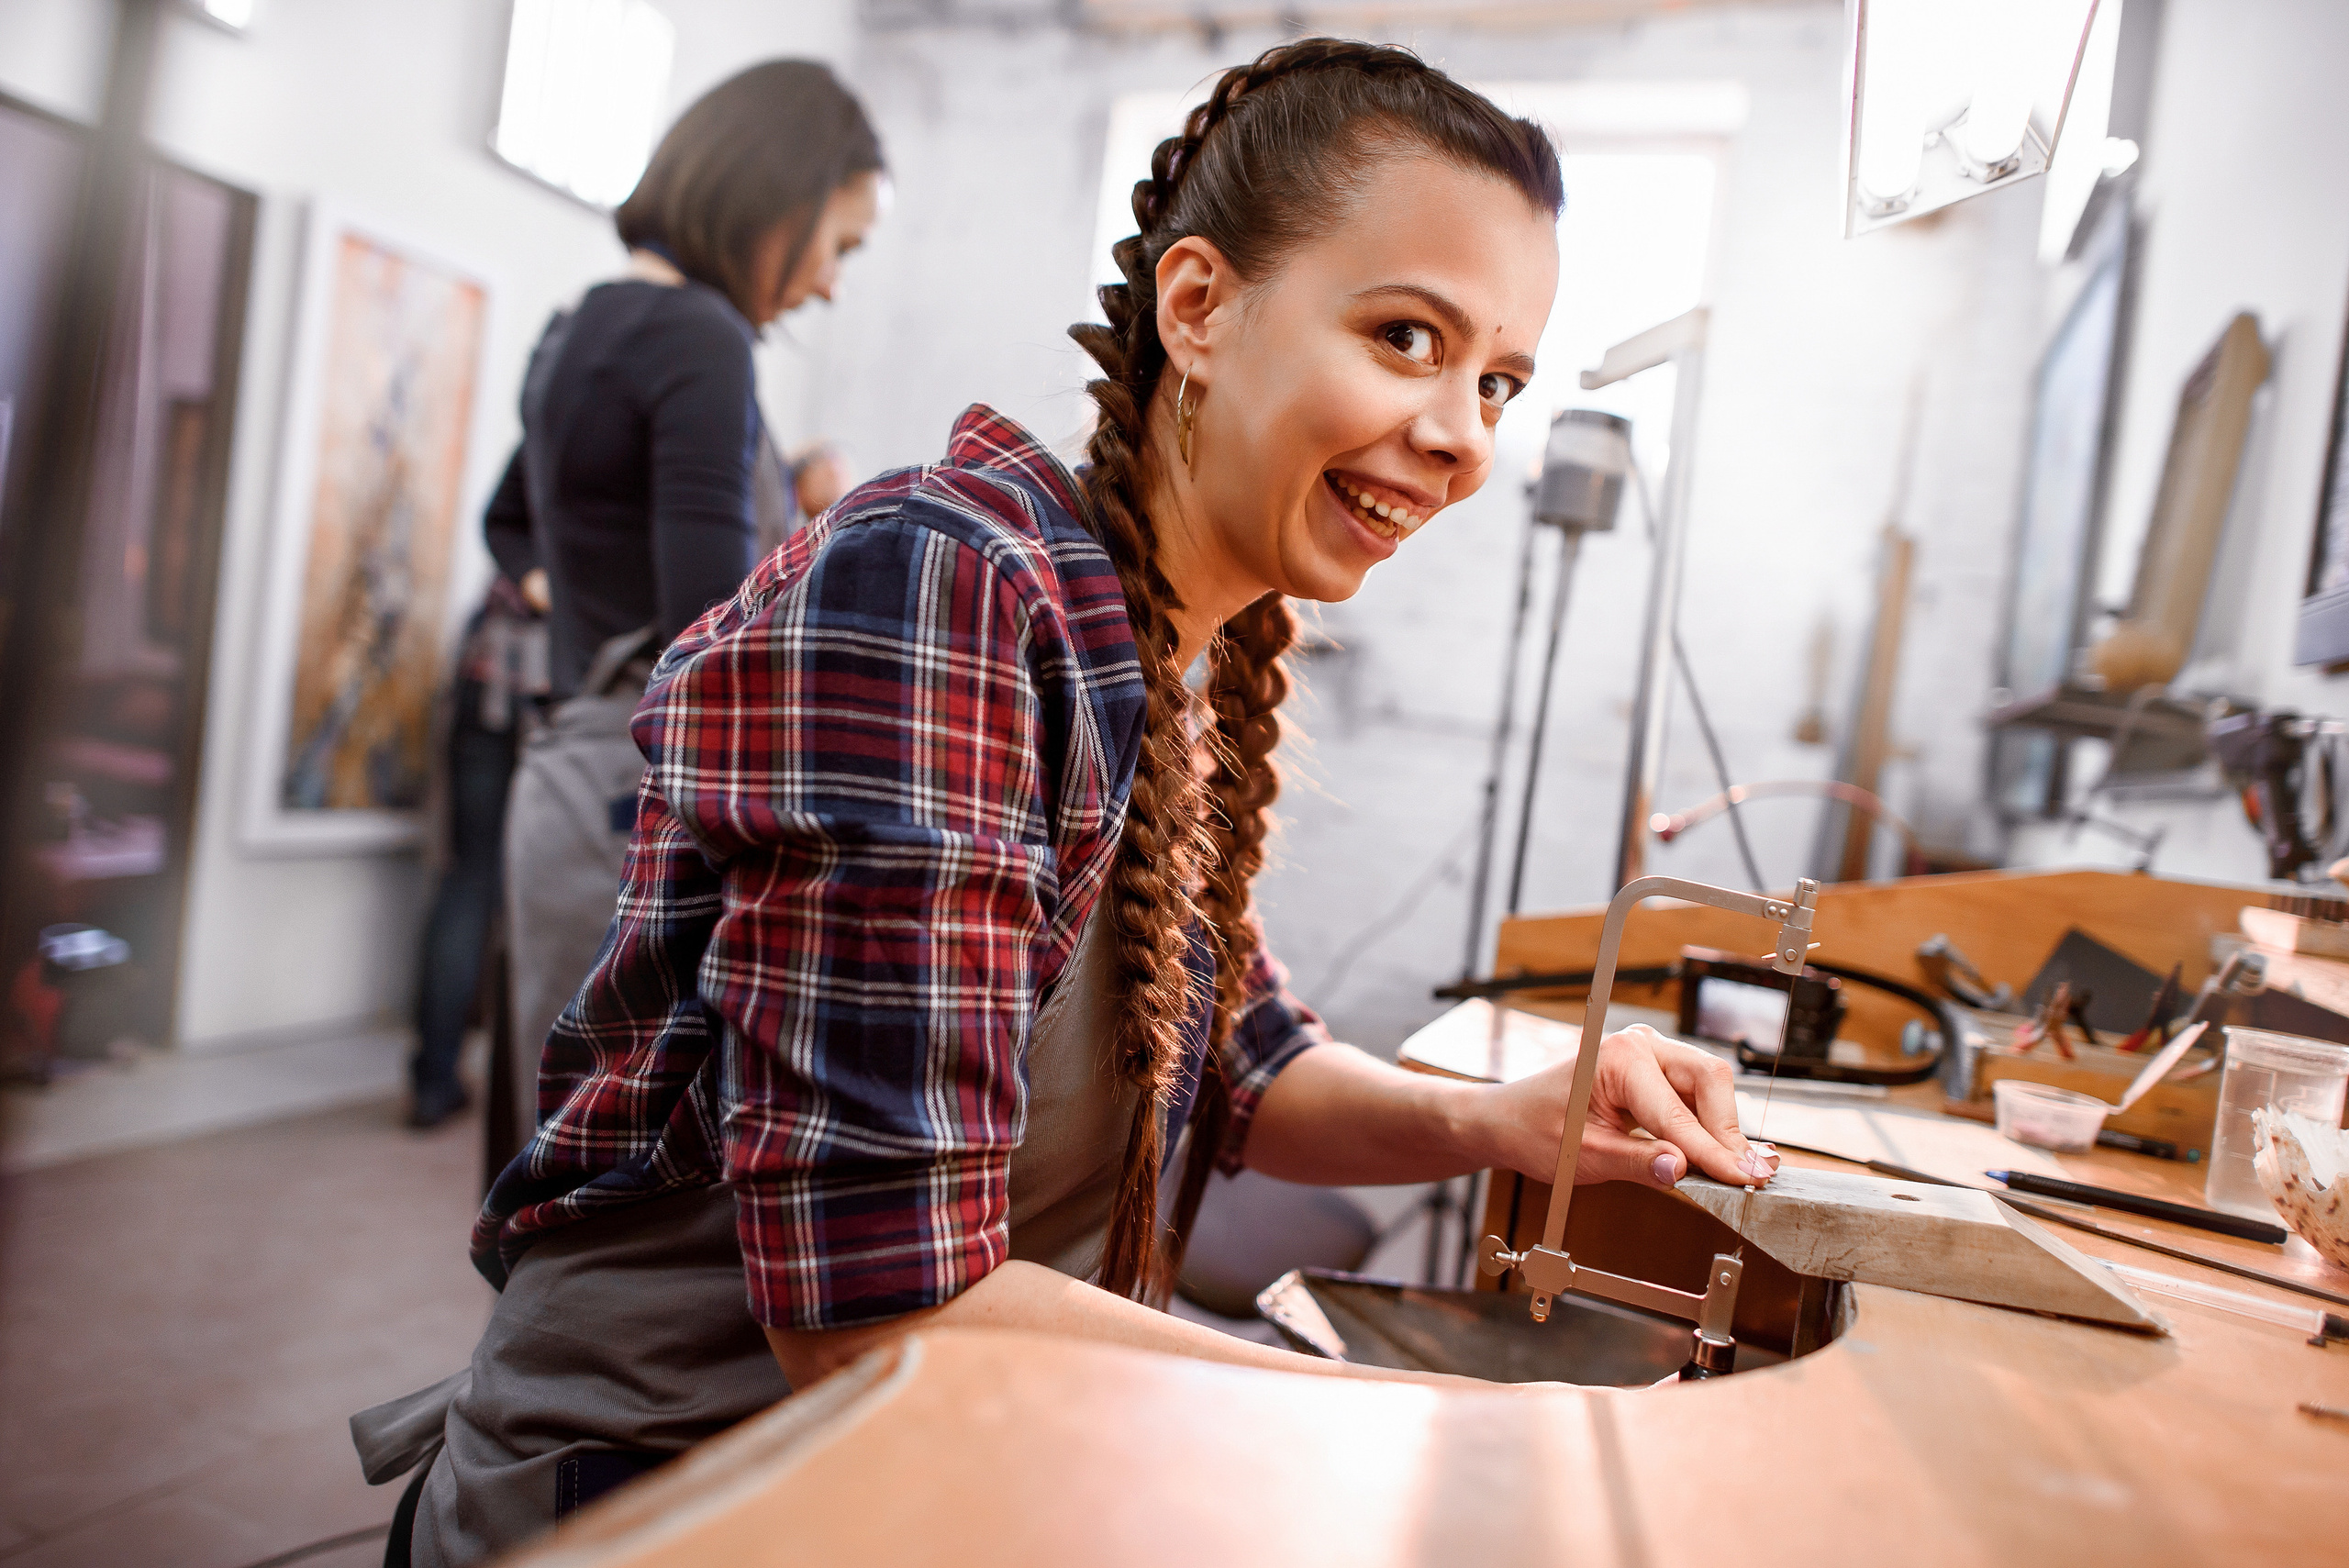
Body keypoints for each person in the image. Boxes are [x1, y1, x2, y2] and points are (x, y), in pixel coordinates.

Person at [360, 39, 1778, 1566]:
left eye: (1496, 380)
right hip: (664, 1501)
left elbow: (1246, 1065)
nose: (1463, 435)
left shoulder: (1161, 665)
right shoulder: (942, 589)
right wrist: (1434, 1419)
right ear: (1198, 307)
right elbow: (873, 1316)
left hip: (922, 1476)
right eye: (1404, 337)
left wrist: (1506, 1117)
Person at [481, 61, 885, 1167]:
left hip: (574, 774)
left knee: (559, 1163)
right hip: (638, 799)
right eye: (839, 245)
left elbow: (508, 524)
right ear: (776, 197)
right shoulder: (699, 337)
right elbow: (717, 639)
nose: (830, 285)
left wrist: (584, 608)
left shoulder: (582, 326)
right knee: (625, 1177)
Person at [406, 575, 547, 1129]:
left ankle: (432, 1081)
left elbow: (502, 532)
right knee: (550, 893)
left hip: (487, 669)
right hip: (554, 684)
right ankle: (544, 1096)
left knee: (467, 884)